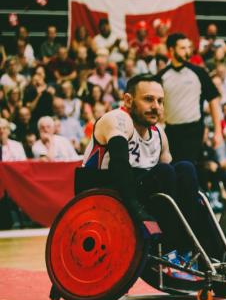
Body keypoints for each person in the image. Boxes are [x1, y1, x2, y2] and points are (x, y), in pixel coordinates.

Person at [81, 74, 218, 260]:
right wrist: (138, 210)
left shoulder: (159, 134)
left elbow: (176, 185)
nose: (156, 106)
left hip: (144, 190)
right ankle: (169, 249)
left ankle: (201, 249)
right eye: (148, 99)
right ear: (128, 100)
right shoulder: (117, 120)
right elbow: (119, 165)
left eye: (160, 101)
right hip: (107, 190)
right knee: (165, 172)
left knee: (186, 168)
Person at [157, 33, 222, 164]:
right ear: (171, 50)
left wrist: (218, 131)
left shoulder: (199, 73)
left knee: (190, 170)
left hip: (194, 131)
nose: (187, 51)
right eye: (182, 48)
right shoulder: (162, 76)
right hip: (171, 132)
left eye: (188, 47)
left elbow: (213, 100)